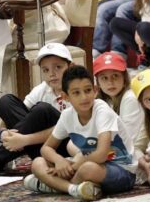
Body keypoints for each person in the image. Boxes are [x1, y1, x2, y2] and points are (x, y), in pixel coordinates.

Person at [24, 65, 136, 200]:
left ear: (95, 90)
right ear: (65, 97)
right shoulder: (67, 115)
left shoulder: (102, 110)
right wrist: (59, 161)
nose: (84, 97)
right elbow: (46, 148)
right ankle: (74, 189)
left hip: (122, 169)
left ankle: (53, 186)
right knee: (37, 163)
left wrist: (72, 167)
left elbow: (101, 155)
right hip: (88, 166)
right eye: (76, 92)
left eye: (88, 90)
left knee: (87, 168)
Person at [0, 42, 73, 174]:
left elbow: (68, 129)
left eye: (58, 67)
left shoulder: (76, 90)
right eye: (45, 70)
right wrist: (4, 132)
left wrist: (24, 140)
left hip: (64, 146)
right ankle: (3, 155)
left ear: (70, 66)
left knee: (42, 109)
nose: (52, 74)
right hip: (39, 148)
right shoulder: (42, 89)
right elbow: (23, 119)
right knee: (6, 102)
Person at [93, 52, 143, 143]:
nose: (110, 82)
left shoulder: (130, 98)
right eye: (104, 78)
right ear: (98, 82)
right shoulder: (104, 99)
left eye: (115, 76)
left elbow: (128, 138)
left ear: (124, 78)